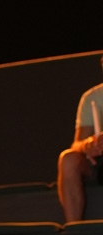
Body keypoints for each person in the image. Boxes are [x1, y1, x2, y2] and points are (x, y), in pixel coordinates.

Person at [58, 56, 103, 223]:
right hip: (98, 164)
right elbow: (77, 144)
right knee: (68, 158)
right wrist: (88, 145)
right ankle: (74, 227)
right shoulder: (92, 97)